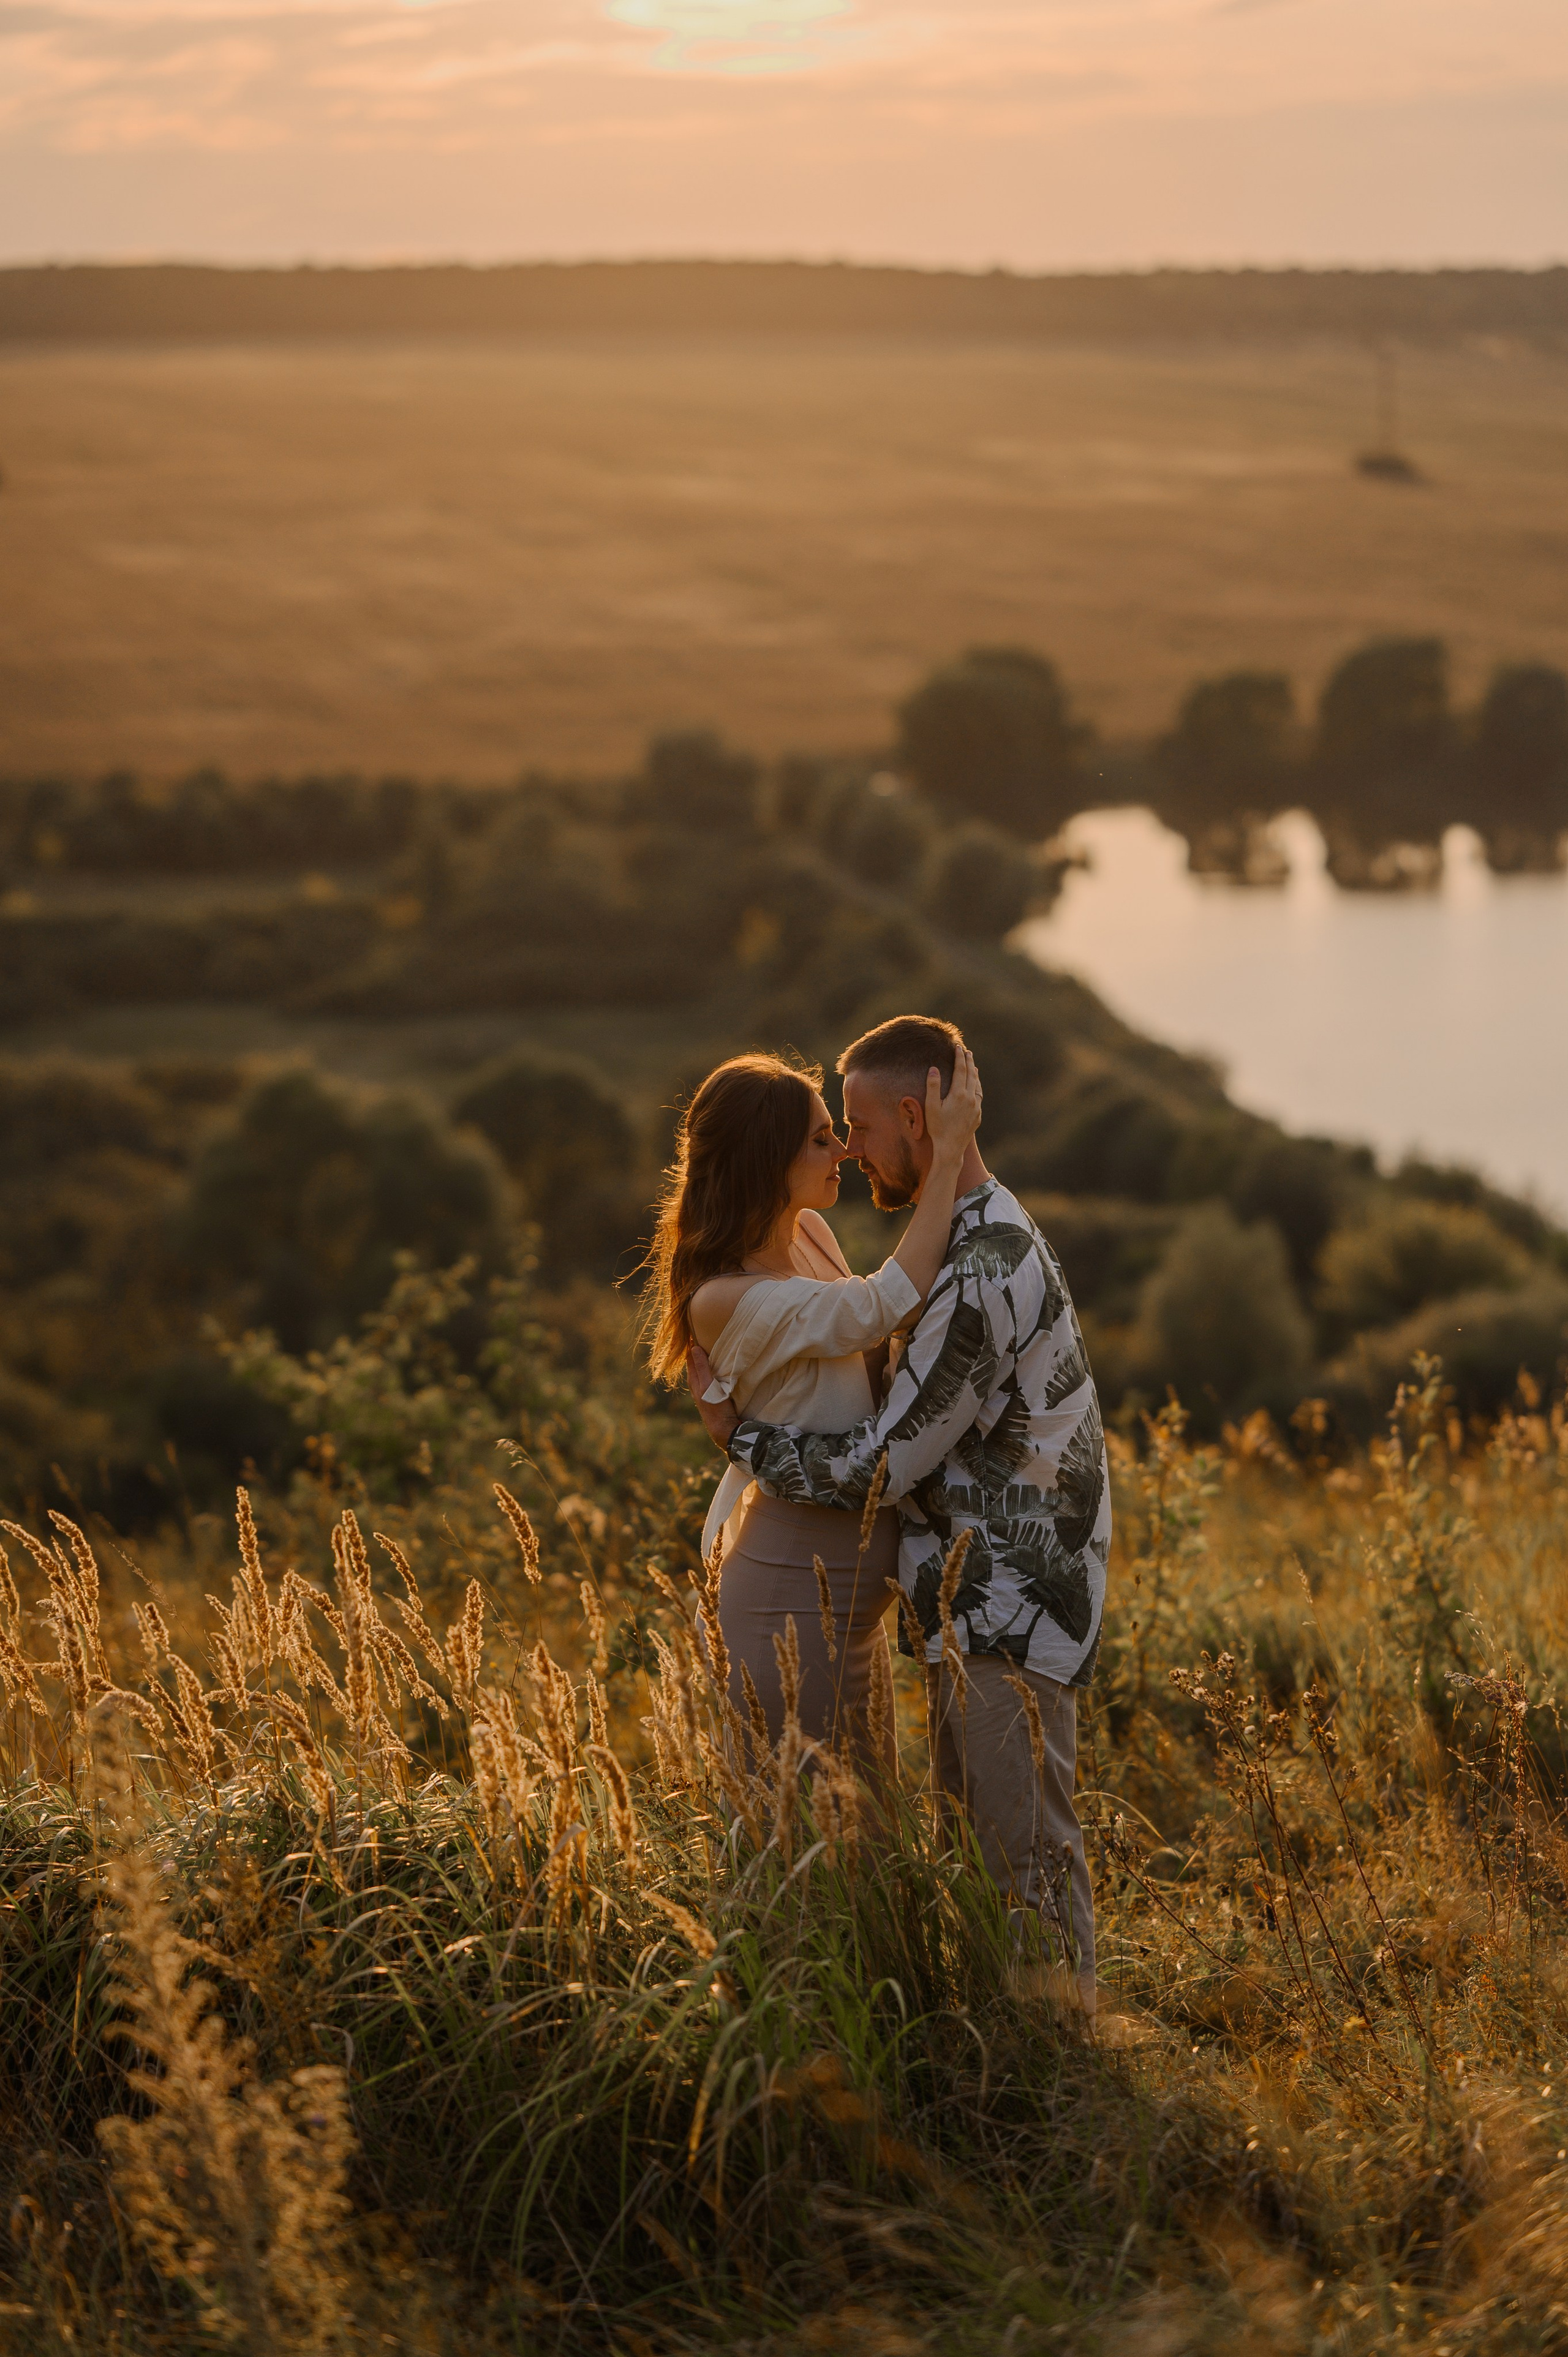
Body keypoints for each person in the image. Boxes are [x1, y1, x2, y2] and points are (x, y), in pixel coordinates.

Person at [687, 1014, 1109, 2007]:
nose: (848, 1146)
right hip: (926, 1602)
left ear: (915, 1119)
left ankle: (1056, 2085)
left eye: (858, 1126)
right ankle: (986, 2071)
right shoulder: (969, 1233)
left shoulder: (974, 1269)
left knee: (1019, 1863)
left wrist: (736, 1437)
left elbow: (876, 1464)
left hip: (1002, 1601)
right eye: (828, 1131)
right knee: (945, 1855)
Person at [641, 1046, 982, 1774]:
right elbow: (882, 1304)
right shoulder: (724, 1295)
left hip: (847, 1615)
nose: (845, 1149)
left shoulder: (810, 1234)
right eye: (822, 1137)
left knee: (872, 1847)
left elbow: (889, 1323)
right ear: (770, 1158)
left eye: (838, 1129)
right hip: (786, 1605)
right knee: (813, 1854)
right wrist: (947, 1155)